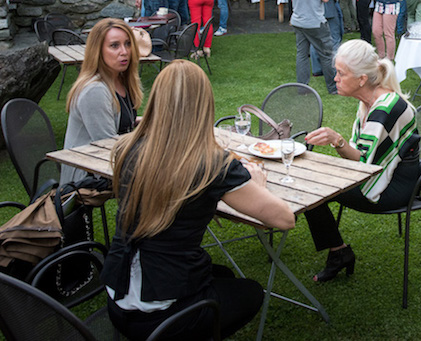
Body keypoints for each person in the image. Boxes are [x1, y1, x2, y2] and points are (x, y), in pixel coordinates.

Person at [101, 61, 295, 341]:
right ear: (204, 105)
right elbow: (284, 219)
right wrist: (257, 184)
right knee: (251, 291)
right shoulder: (212, 163)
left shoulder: (128, 147)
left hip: (117, 300)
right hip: (164, 317)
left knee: (224, 274)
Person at [303, 40, 420, 282]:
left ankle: (339, 253)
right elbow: (363, 158)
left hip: (394, 187)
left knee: (312, 188)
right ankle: (338, 252)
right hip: (383, 173)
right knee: (312, 180)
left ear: (362, 80)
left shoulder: (383, 109)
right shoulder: (368, 101)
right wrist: (339, 145)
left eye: (341, 73)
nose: (334, 78)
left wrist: (337, 140)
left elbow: (365, 166)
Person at [62, 18, 144, 184]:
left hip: (108, 162)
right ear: (97, 51)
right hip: (86, 176)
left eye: (128, 44)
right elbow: (109, 146)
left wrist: (148, 122)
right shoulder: (95, 91)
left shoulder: (121, 80)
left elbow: (119, 120)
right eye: (114, 45)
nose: (124, 51)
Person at [290, 0, 337, 94]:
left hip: (298, 20)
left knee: (302, 55)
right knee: (327, 54)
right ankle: (333, 88)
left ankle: (302, 89)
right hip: (315, 22)